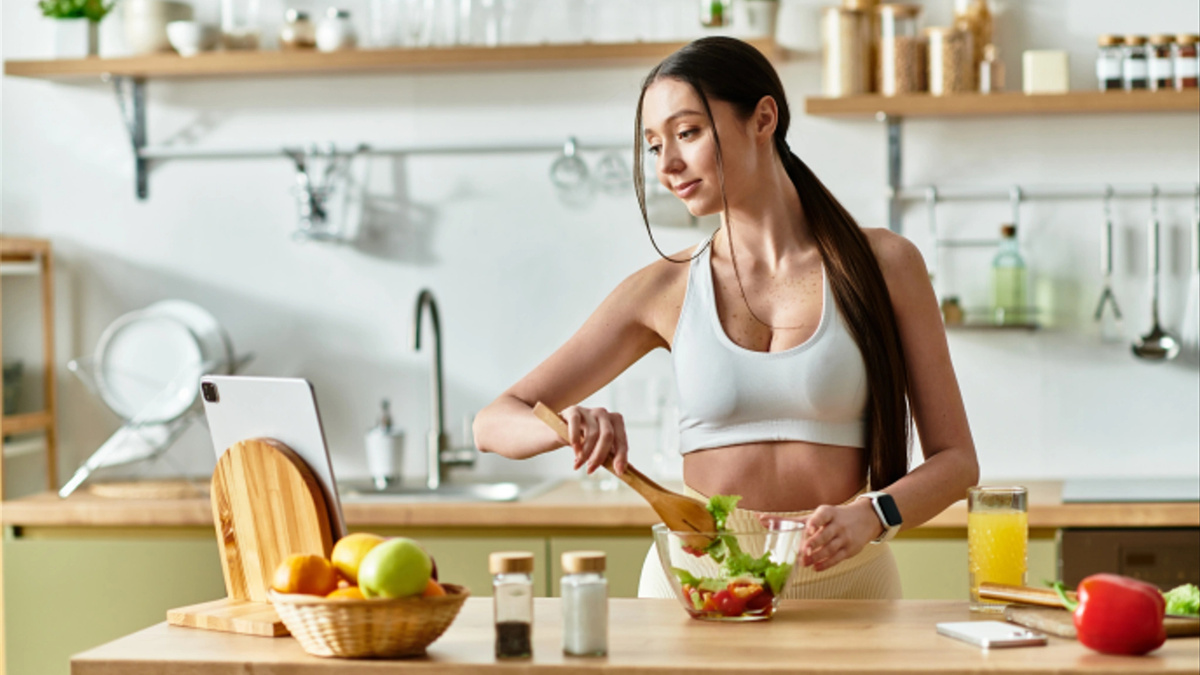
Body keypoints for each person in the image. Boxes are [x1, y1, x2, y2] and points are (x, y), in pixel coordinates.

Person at [473, 36, 979, 599]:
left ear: (763, 118)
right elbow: (493, 422)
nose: (667, 165)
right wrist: (570, 427)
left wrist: (874, 513)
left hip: (846, 585)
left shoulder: (884, 266)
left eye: (686, 133)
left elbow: (957, 462)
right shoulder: (664, 289)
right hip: (693, 588)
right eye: (653, 145)